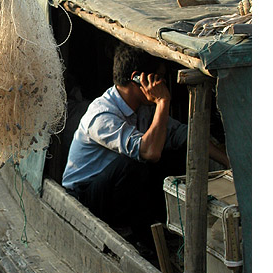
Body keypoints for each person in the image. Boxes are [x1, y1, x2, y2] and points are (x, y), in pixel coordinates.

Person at [62, 44, 229, 251]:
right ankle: (137, 235)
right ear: (138, 78)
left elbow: (182, 134)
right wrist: (162, 102)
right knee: (136, 163)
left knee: (176, 152)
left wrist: (230, 164)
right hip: (86, 195)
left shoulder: (142, 108)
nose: (163, 84)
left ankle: (161, 228)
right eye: (158, 77)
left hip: (115, 189)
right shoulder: (102, 114)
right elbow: (149, 152)